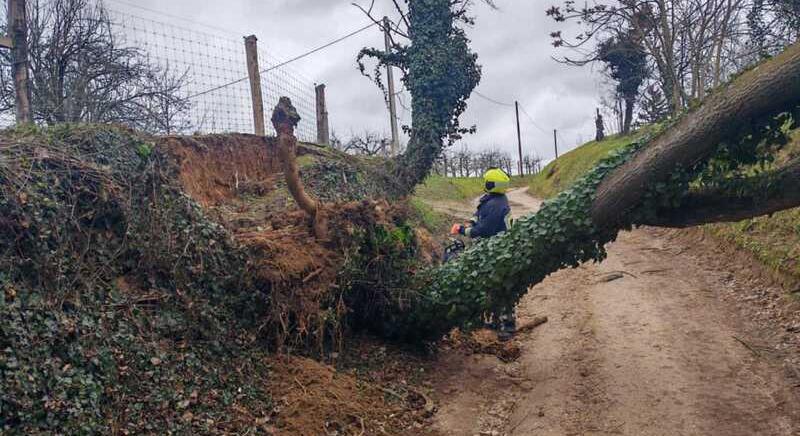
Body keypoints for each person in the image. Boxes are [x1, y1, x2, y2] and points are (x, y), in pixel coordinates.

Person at [450, 167, 516, 341]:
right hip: (492, 248)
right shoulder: (493, 200)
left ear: (491, 184)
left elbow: (483, 229)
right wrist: (470, 221)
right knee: (492, 287)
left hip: (498, 250)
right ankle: (496, 321)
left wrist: (464, 230)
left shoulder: (496, 204)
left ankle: (507, 327)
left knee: (501, 287)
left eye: (486, 181)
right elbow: (479, 214)